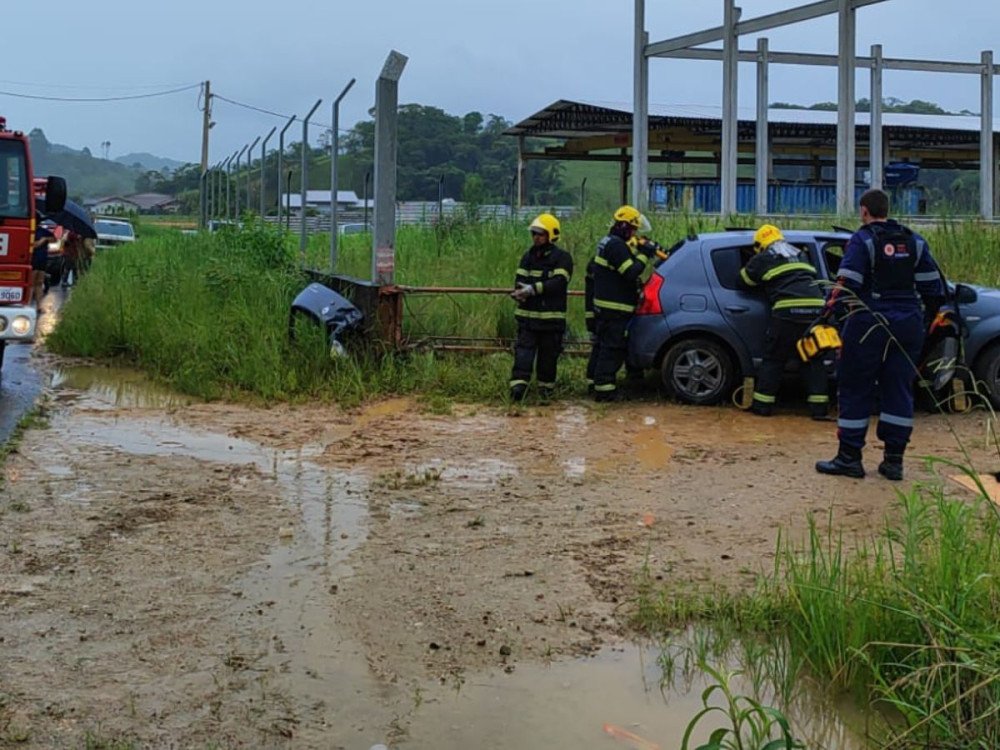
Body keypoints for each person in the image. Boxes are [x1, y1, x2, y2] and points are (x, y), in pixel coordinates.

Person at [816, 189, 946, 481]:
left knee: (854, 387)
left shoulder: (862, 241)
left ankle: (849, 458)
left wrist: (824, 316)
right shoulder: (915, 241)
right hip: (908, 324)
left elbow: (845, 285)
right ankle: (893, 462)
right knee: (899, 387)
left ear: (864, 211)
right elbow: (934, 289)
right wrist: (922, 324)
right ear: (887, 209)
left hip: (868, 323)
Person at [737, 224, 829, 419]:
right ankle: (819, 411)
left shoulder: (762, 258)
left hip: (788, 313)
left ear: (760, 244)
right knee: (813, 359)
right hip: (815, 311)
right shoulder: (800, 254)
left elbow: (743, 281)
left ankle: (762, 406)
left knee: (774, 359)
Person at [583, 213, 664, 392]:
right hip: (614, 308)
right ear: (624, 226)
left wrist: (642, 248)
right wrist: (644, 254)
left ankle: (593, 382)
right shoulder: (615, 245)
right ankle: (604, 391)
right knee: (611, 349)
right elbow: (630, 272)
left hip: (606, 307)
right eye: (633, 229)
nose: (634, 233)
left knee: (601, 347)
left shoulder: (609, 242)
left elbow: (621, 263)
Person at [508, 213, 573, 402]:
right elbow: (519, 281)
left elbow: (559, 282)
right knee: (523, 356)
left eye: (540, 234)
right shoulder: (528, 256)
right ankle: (517, 390)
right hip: (527, 319)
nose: (536, 237)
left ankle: (546, 392)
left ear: (551, 235)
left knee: (548, 359)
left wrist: (534, 289)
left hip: (550, 320)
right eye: (534, 233)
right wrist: (520, 292)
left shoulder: (562, 258)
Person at [30, 225, 54, 307]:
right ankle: (27, 305)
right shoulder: (29, 229)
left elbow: (54, 239)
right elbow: (35, 245)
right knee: (31, 284)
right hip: (32, 260)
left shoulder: (42, 231)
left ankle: (39, 305)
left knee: (39, 283)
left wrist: (45, 239)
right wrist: (41, 241)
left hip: (42, 259)